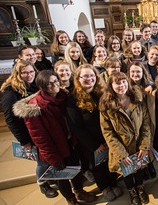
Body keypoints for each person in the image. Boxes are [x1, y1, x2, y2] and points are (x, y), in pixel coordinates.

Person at [13, 70, 97, 204]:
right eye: (49, 84)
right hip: (55, 148)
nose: (54, 85)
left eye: (56, 81)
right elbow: (39, 137)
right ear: (42, 86)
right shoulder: (35, 106)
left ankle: (79, 191)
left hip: (71, 142)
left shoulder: (64, 96)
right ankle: (70, 199)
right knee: (62, 176)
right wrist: (53, 158)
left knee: (75, 169)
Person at [66, 65, 122, 202]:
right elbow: (76, 127)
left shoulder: (102, 92)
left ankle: (113, 183)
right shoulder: (73, 99)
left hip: (108, 137)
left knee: (111, 162)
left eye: (92, 75)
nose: (89, 79)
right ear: (78, 79)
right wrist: (95, 145)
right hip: (91, 142)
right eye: (85, 76)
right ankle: (105, 188)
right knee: (98, 167)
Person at [0, 60, 55, 198]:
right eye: (24, 72)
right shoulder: (10, 92)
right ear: (17, 74)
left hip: (42, 128)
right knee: (41, 161)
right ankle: (42, 183)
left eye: (31, 71)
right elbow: (11, 120)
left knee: (47, 156)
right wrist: (24, 142)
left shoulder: (34, 85)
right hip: (29, 132)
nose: (29, 75)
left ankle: (52, 177)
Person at [99, 72, 150, 205]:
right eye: (117, 83)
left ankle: (140, 187)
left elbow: (146, 123)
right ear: (111, 85)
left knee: (139, 168)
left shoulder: (137, 99)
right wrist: (121, 154)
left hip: (138, 143)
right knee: (127, 172)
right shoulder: (106, 105)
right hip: (122, 147)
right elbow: (108, 132)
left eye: (123, 82)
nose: (121, 85)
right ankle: (132, 191)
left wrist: (144, 145)